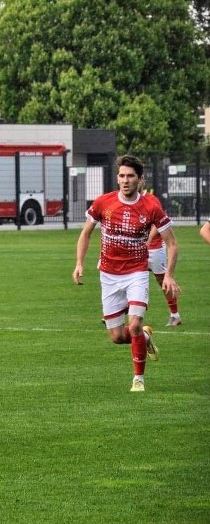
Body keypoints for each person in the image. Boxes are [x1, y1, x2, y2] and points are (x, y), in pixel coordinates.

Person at [73, 155, 180, 393]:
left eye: (130, 176)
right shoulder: (104, 202)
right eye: (121, 175)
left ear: (140, 179)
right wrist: (79, 263)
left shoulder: (151, 207)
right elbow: (86, 233)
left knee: (133, 325)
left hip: (136, 273)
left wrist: (169, 275)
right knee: (117, 337)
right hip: (109, 275)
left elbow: (172, 243)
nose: (125, 180)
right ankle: (145, 338)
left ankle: (138, 380)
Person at [141, 184, 181, 326]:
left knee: (162, 281)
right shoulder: (127, 200)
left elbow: (157, 224)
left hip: (154, 249)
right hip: (136, 249)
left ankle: (175, 315)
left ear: (141, 180)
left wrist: (149, 240)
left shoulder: (152, 200)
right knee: (129, 277)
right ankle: (118, 313)